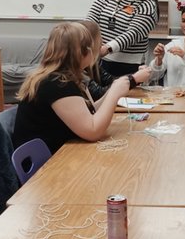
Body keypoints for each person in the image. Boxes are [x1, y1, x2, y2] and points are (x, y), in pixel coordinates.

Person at [13, 22, 130, 153]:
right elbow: (92, 131)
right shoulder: (57, 83)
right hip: (50, 160)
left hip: (57, 150)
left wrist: (112, 91)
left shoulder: (61, 76)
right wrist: (113, 94)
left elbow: (89, 111)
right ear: (82, 52)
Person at [86, 0, 159, 77]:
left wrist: (107, 48)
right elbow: (91, 19)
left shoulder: (148, 5)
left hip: (128, 66)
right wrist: (83, 40)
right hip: (98, 60)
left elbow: (132, 34)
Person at [79, 19, 151, 101]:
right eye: (100, 37)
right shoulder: (77, 72)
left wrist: (136, 76)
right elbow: (99, 94)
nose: (102, 42)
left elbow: (110, 80)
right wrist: (134, 79)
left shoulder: (92, 65)